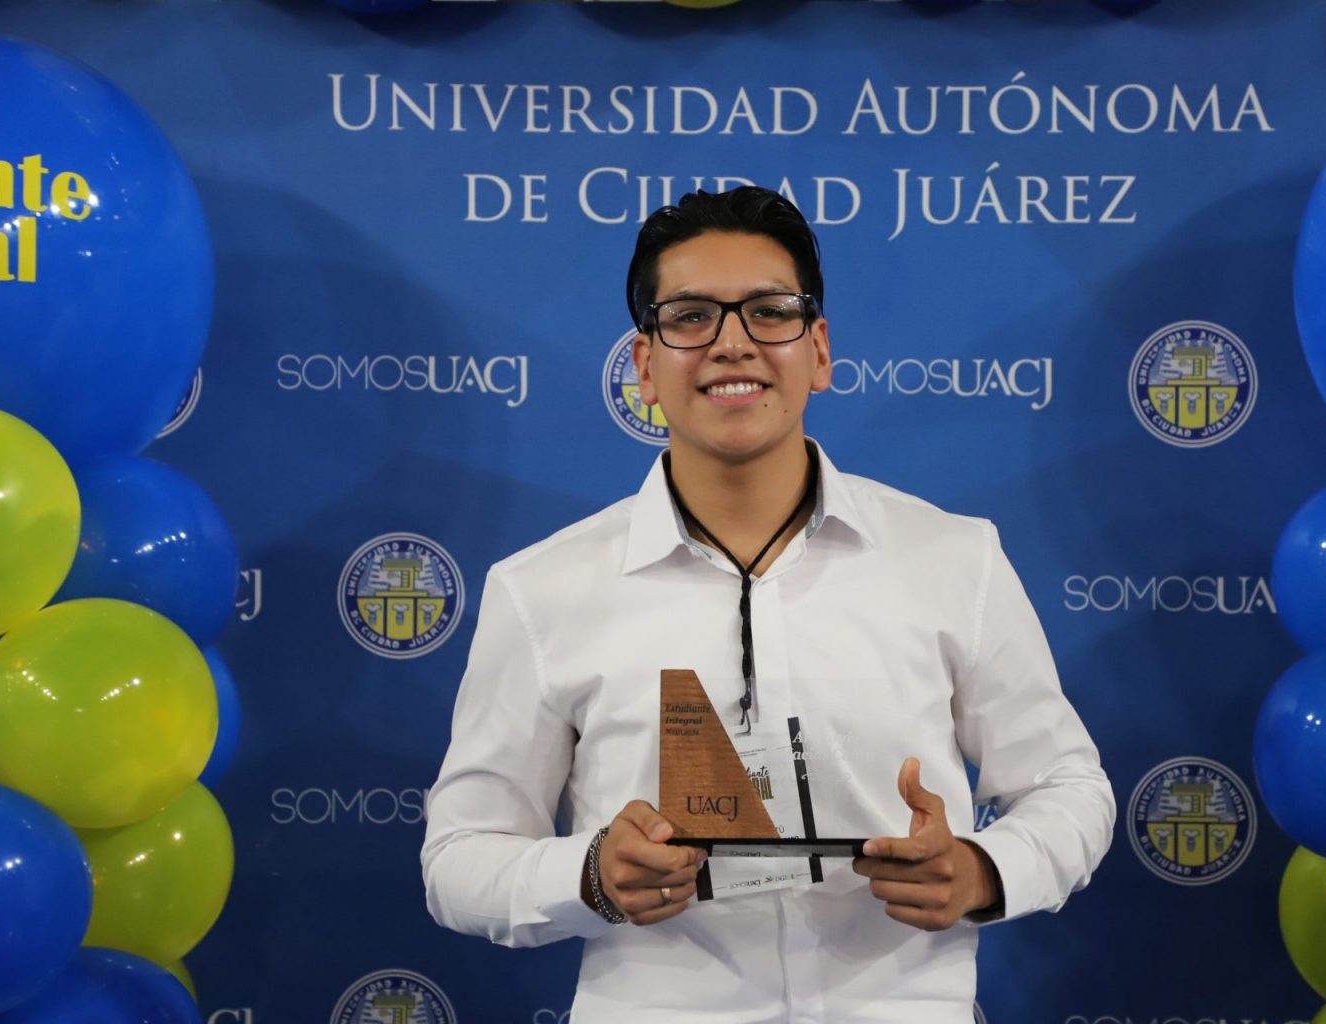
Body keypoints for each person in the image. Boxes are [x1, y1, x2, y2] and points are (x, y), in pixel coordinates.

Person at [421, 186, 1114, 1023]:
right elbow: (459, 858)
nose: (731, 343)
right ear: (644, 365)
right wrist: (589, 875)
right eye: (690, 317)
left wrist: (982, 871)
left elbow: (1068, 787)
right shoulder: (543, 589)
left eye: (769, 312)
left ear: (818, 350)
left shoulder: (953, 559)